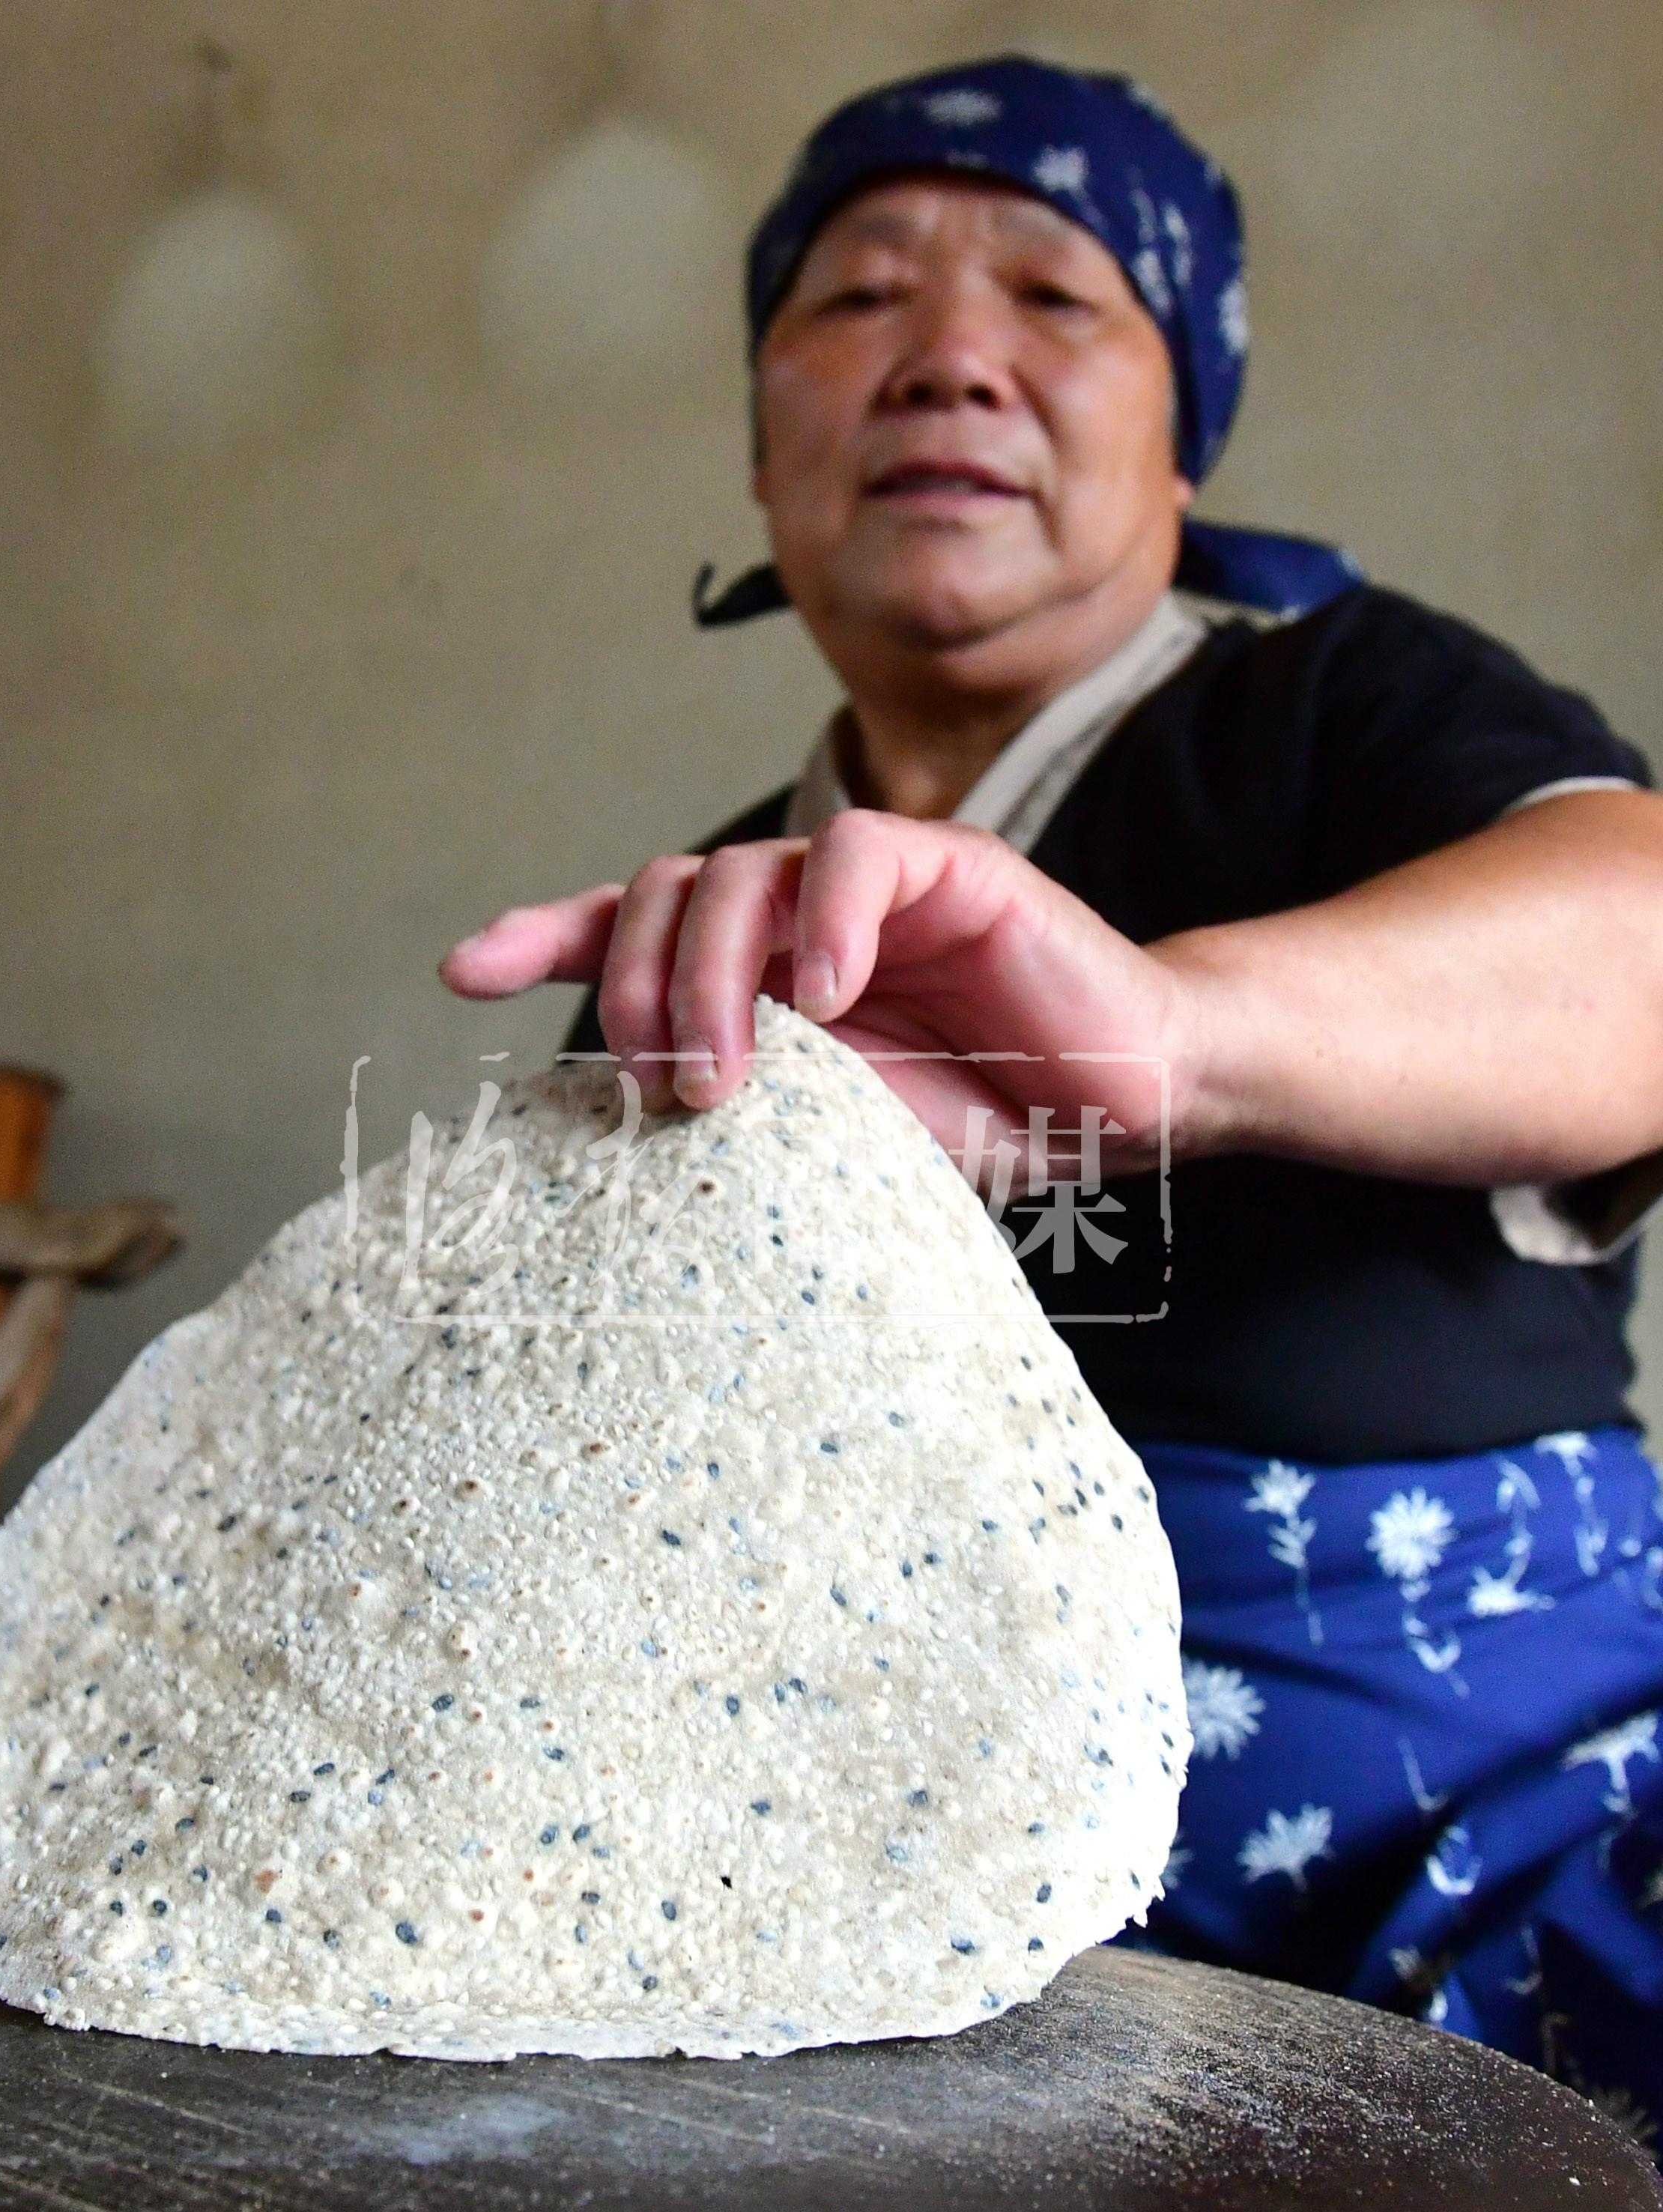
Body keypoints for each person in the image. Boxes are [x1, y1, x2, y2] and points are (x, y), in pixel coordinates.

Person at [440, 54, 1663, 2141]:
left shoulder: (1349, 702)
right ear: (762, 444)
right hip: (906, 1940)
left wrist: (1171, 1034)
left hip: (1493, 1843)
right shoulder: (694, 933)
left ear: (1181, 444)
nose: (946, 359)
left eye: (1056, 298)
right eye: (860, 298)